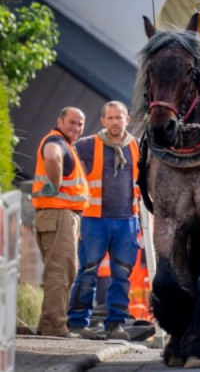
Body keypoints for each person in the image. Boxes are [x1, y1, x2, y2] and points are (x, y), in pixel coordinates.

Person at [66, 101, 142, 341]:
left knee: (122, 275)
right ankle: (77, 324)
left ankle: (115, 325)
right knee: (87, 272)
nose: (115, 122)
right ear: (103, 121)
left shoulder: (137, 147)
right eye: (110, 118)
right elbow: (66, 161)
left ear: (127, 120)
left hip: (127, 221)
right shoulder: (87, 145)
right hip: (94, 220)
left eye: (119, 118)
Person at [31, 107, 89, 338]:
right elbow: (53, 155)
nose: (76, 128)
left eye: (80, 124)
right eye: (72, 123)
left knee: (64, 271)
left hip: (60, 216)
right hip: (59, 215)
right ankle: (54, 328)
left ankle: (49, 324)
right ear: (60, 121)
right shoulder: (56, 141)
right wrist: (54, 186)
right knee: (60, 272)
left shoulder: (66, 144)